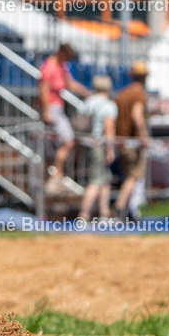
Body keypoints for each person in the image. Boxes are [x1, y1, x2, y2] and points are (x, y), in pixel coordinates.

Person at [39, 43, 90, 191]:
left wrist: (84, 91)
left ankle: (56, 174)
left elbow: (69, 82)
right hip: (51, 108)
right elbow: (44, 89)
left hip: (57, 107)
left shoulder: (62, 66)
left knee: (56, 145)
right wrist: (47, 111)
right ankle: (55, 175)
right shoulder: (49, 66)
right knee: (67, 141)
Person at [112, 61, 151, 220]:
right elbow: (137, 115)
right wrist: (144, 136)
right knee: (133, 176)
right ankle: (121, 208)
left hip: (121, 140)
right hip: (132, 142)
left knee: (129, 175)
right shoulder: (139, 94)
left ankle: (127, 209)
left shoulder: (122, 94)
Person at [76, 76, 117, 221]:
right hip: (99, 145)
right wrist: (110, 149)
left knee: (105, 180)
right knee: (96, 180)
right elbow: (109, 128)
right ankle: (84, 214)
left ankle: (104, 213)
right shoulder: (108, 105)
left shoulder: (87, 103)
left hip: (87, 144)